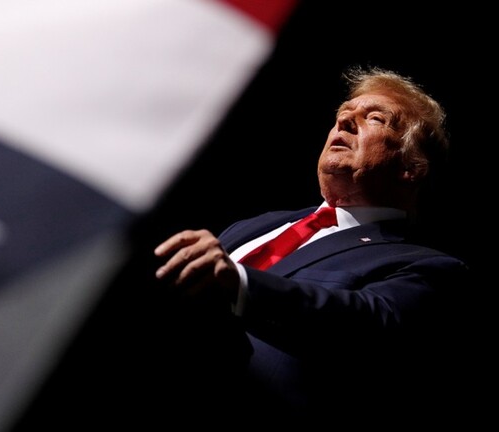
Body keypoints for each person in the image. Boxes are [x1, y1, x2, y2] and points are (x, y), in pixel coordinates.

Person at [153, 65, 470, 425]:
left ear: (411, 167)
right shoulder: (258, 224)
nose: (344, 122)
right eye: (343, 114)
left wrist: (240, 283)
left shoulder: (426, 266)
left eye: (375, 119)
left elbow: (364, 322)